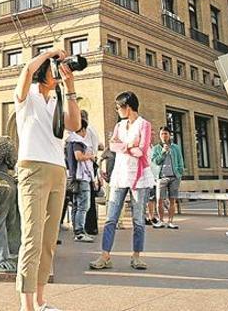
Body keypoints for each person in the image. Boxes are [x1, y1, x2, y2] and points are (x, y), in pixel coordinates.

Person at [14, 48, 81, 311]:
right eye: (56, 66)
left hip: (57, 170)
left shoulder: (57, 100)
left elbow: (74, 125)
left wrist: (70, 85)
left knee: (48, 240)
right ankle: (26, 305)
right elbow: (27, 70)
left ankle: (41, 301)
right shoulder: (26, 97)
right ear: (45, 69)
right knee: (32, 237)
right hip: (32, 169)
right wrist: (50, 52)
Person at [90, 91, 154, 271]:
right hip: (119, 175)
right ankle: (105, 256)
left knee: (138, 220)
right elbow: (112, 145)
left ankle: (136, 256)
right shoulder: (119, 126)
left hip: (138, 177)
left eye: (118, 107)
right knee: (111, 218)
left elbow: (142, 151)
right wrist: (129, 146)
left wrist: (124, 147)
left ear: (128, 107)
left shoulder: (144, 125)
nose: (117, 110)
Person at [65, 116, 95, 242]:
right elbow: (79, 156)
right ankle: (80, 232)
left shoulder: (68, 142)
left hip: (72, 176)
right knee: (83, 206)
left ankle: (77, 230)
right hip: (81, 177)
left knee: (76, 205)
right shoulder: (78, 142)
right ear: (82, 129)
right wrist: (90, 156)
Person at [149, 126, 184, 229]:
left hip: (174, 177)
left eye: (165, 134)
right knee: (159, 199)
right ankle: (160, 221)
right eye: (161, 134)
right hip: (161, 177)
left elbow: (180, 160)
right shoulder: (156, 148)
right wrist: (163, 152)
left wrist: (180, 172)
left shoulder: (176, 147)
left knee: (172, 200)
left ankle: (171, 221)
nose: (164, 136)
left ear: (169, 135)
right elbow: (155, 161)